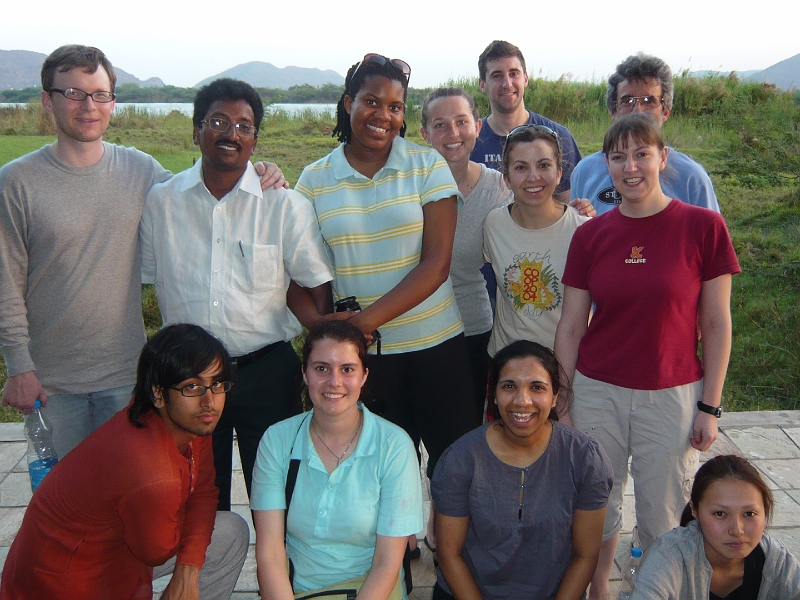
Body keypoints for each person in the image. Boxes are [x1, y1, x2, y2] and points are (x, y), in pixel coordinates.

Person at [0, 45, 285, 459]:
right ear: (48, 99)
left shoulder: (141, 171)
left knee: (131, 494)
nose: (88, 106)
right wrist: (19, 367)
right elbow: (6, 282)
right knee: (64, 502)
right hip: (50, 380)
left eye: (100, 94)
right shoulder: (16, 182)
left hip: (127, 375)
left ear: (113, 103)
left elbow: (203, 191)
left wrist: (259, 170)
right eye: (73, 93)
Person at [295, 55, 480, 547]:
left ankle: (454, 564)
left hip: (437, 346)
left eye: (396, 106)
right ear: (347, 103)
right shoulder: (314, 180)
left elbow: (436, 265)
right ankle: (391, 565)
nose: (383, 115)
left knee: (454, 466)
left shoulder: (426, 165)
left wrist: (358, 324)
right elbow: (299, 269)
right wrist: (320, 326)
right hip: (367, 361)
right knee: (380, 473)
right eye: (372, 101)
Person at [554, 112, 741, 600]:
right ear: (606, 166)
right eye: (618, 157)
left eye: (641, 154)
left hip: (673, 393)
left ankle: (657, 590)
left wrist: (710, 406)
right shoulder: (590, 236)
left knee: (663, 514)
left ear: (663, 158)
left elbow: (717, 323)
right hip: (597, 391)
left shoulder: (703, 227)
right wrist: (565, 399)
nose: (630, 167)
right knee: (597, 503)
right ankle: (595, 590)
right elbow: (571, 325)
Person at [139, 78, 333, 511]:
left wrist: (317, 360)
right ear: (196, 130)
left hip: (265, 373)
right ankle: (202, 579)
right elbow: (152, 280)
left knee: (284, 498)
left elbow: (316, 285)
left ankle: (283, 580)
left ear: (255, 139)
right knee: (197, 501)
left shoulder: (283, 205)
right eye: (219, 121)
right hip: (188, 379)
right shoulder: (163, 203)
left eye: (244, 126)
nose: (232, 133)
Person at [0, 323, 249, 600]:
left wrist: (187, 572)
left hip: (114, 557)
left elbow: (203, 493)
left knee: (230, 532)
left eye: (216, 384)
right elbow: (156, 551)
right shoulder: (151, 470)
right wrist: (181, 513)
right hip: (63, 584)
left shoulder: (186, 422)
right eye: (191, 386)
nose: (209, 401)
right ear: (158, 392)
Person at [251, 320, 423, 599]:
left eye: (347, 369)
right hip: (297, 592)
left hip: (370, 589)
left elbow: (387, 563)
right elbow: (270, 553)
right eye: (321, 368)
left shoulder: (394, 445)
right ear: (305, 373)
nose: (334, 382)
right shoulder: (277, 440)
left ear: (364, 376)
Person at [431, 340, 613, 599]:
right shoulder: (459, 460)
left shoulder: (585, 459)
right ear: (493, 395)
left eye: (537, 387)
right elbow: (449, 556)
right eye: (509, 386)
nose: (522, 400)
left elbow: (585, 556)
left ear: (555, 397)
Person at [419, 87, 513, 420]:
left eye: (461, 121)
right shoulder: (407, 184)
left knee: (466, 435)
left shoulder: (500, 188)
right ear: (424, 133)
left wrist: (574, 211)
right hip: (414, 331)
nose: (453, 133)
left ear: (477, 125)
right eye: (440, 124)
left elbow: (533, 226)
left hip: (472, 330)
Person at [483, 124, 590, 357]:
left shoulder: (583, 230)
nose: (533, 177)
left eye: (543, 165)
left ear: (559, 173)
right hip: (506, 361)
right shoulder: (494, 224)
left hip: (567, 361)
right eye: (521, 167)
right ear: (507, 178)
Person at [570, 53, 720, 215]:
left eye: (649, 101)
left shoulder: (692, 178)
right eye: (627, 101)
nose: (638, 110)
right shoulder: (584, 172)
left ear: (666, 112)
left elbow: (709, 236)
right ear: (612, 111)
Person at [631, 455, 800, 600]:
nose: (736, 530)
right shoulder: (667, 557)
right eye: (720, 514)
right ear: (695, 511)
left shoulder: (776, 562)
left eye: (749, 514)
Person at [469, 40, 582, 202]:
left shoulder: (558, 136)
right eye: (497, 76)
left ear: (526, 79)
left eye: (514, 73)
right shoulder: (470, 142)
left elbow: (571, 204)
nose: (507, 84)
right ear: (482, 84)